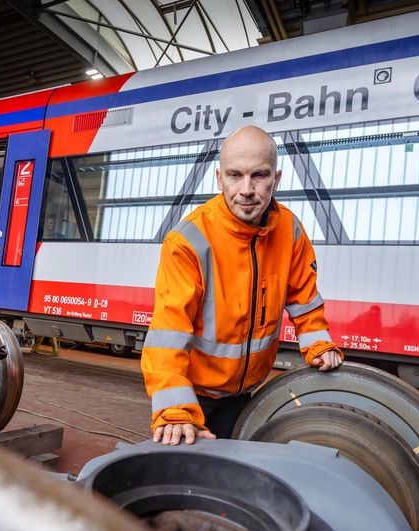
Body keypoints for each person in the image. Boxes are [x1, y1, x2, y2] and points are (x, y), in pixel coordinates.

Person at [141, 126, 343, 446]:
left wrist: (319, 344)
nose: (247, 189)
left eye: (259, 176)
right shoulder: (188, 241)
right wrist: (176, 411)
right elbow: (169, 332)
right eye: (235, 175)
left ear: (276, 180)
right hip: (194, 397)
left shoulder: (290, 231)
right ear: (219, 179)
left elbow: (303, 297)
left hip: (249, 395)